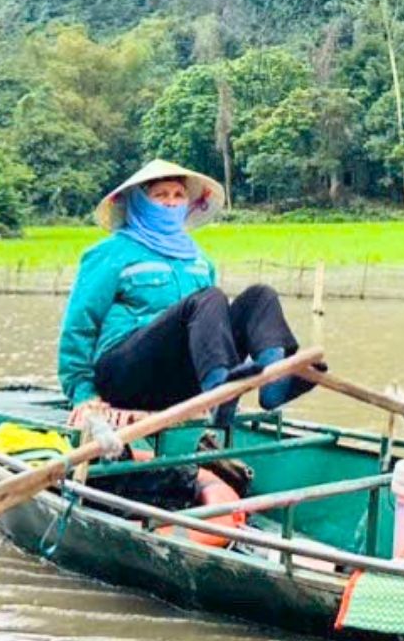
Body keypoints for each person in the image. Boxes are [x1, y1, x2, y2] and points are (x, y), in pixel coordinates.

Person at [58, 159, 321, 434]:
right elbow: (79, 325)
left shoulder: (198, 260)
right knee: (209, 298)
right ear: (139, 202)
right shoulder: (110, 253)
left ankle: (274, 382)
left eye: (178, 195)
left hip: (178, 380)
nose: (171, 203)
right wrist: (82, 393)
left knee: (260, 296)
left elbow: (213, 333)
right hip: (125, 374)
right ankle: (218, 391)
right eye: (160, 195)